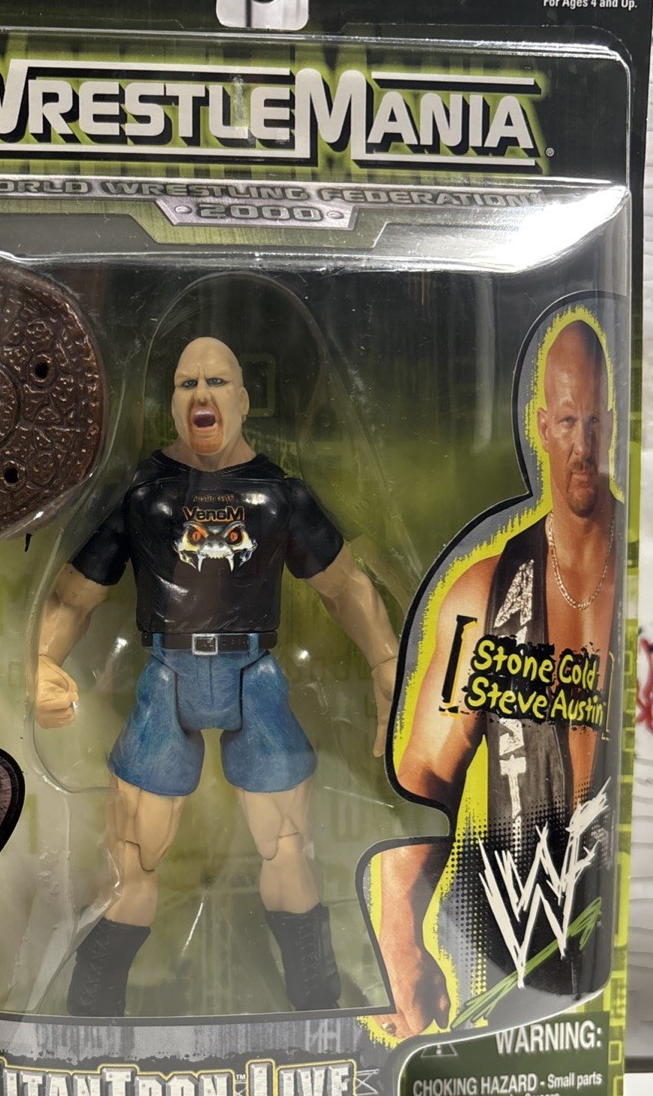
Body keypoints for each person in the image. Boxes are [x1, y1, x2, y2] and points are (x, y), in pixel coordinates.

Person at [35, 335, 399, 1016]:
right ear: (172, 402)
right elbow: (71, 596)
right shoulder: (142, 494)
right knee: (132, 858)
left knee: (287, 849)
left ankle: (318, 1009)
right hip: (166, 676)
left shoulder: (278, 495)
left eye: (216, 382)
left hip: (253, 674)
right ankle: (89, 1017)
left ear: (244, 399)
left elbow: (344, 586)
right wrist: (40, 661)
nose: (201, 394)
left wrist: (385, 660)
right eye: (186, 383)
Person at [378, 317, 621, 1038]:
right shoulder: (483, 597)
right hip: (511, 960)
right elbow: (423, 777)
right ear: (541, 426)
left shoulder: (643, 579)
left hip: (622, 944)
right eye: (567, 421)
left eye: (595, 422)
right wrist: (398, 938)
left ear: (614, 424)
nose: (583, 446)